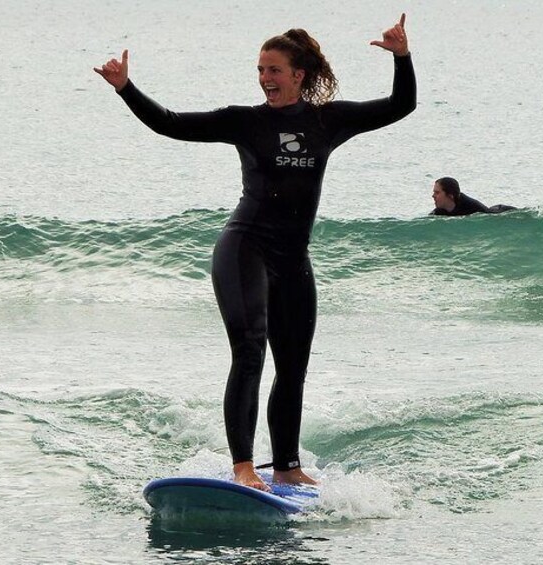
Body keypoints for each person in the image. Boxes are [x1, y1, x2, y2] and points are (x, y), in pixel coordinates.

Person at [95, 14, 416, 491]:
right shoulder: (246, 122)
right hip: (245, 247)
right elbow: (170, 124)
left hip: (292, 260)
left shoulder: (328, 120)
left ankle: (286, 464)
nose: (265, 79)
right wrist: (126, 88)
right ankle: (243, 466)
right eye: (261, 70)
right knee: (249, 352)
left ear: (298, 75)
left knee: (293, 366)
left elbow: (400, 105)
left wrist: (402, 58)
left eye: (274, 70)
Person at [430, 177, 517, 216]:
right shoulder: (439, 211)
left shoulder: (470, 207)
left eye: (437, 193)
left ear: (450, 196)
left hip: (501, 211)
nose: (433, 196)